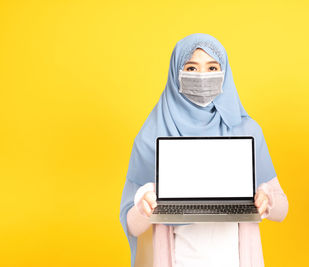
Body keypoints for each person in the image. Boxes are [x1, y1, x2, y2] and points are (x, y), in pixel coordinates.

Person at [120, 33, 289, 267]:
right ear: (175, 74)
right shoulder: (152, 135)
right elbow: (130, 224)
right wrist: (145, 207)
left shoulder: (246, 130)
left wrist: (266, 199)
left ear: (225, 73)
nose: (202, 76)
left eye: (212, 68)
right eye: (190, 68)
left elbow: (282, 209)